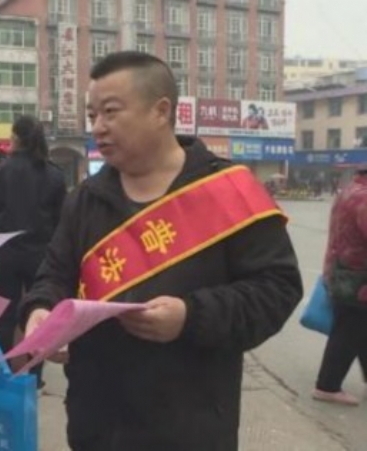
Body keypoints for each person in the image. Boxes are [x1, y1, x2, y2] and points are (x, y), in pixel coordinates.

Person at [20, 51, 302, 451]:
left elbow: (277, 289)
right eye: (92, 115)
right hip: (97, 424)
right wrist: (40, 311)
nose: (98, 127)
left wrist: (191, 316)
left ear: (161, 111)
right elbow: (54, 274)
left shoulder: (227, 191)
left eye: (111, 112)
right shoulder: (85, 198)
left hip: (191, 427)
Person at [0, 115, 66, 362]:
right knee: (39, 312)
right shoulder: (54, 175)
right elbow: (60, 219)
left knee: (4, 316)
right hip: (41, 255)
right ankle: (35, 369)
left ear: (15, 137)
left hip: (5, 253)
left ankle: (3, 366)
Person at [313, 169, 367, 406]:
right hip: (357, 279)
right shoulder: (364, 198)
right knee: (348, 331)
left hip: (341, 270)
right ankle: (327, 386)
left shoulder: (350, 191)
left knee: (359, 329)